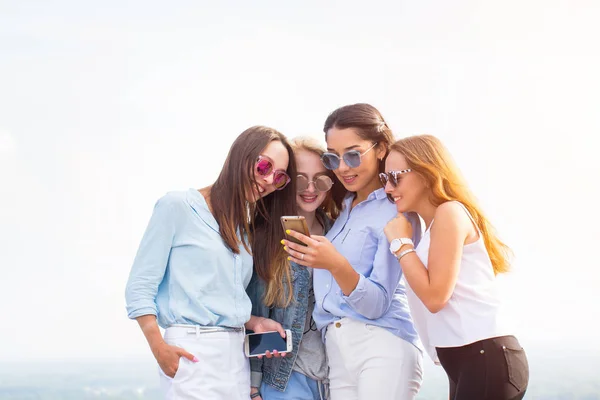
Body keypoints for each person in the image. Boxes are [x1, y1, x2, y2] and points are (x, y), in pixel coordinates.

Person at [125, 126, 297, 400]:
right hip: (192, 354)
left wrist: (255, 322)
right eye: (264, 166)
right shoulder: (178, 206)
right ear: (241, 155)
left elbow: (217, 296)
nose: (267, 180)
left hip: (235, 359)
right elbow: (140, 286)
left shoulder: (242, 229)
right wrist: (159, 348)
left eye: (279, 177)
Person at [283, 104, 423, 400]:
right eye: (334, 157)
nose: (343, 167)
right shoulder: (344, 209)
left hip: (382, 344)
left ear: (381, 148)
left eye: (353, 154)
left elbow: (377, 305)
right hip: (336, 348)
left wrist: (335, 264)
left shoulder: (395, 210)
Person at [381, 134, 529, 400]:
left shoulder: (449, 212)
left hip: (485, 356)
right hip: (467, 360)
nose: (388, 189)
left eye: (395, 177)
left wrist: (401, 244)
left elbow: (435, 297)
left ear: (427, 174)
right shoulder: (431, 229)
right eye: (384, 179)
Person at [247, 136, 339, 400]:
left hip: (337, 377)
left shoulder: (340, 232)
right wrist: (253, 386)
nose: (310, 188)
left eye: (320, 179)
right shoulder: (264, 238)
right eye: (299, 179)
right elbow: (255, 309)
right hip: (284, 381)